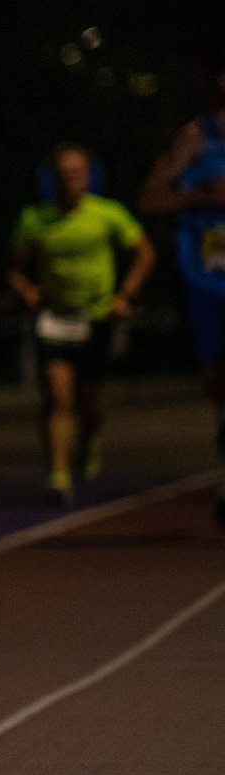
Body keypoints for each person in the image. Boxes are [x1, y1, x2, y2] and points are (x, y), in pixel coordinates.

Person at [9, 143, 153, 506]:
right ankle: (58, 475)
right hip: (55, 317)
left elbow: (144, 253)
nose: (71, 180)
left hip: (97, 318)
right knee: (57, 396)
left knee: (91, 403)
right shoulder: (33, 218)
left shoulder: (107, 214)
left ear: (89, 176)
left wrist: (126, 295)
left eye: (78, 173)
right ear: (52, 178)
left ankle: (89, 438)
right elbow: (15, 269)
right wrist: (27, 291)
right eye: (64, 173)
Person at [135, 72, 225, 527]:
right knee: (216, 381)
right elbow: (150, 198)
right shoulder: (196, 137)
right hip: (207, 277)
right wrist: (199, 194)